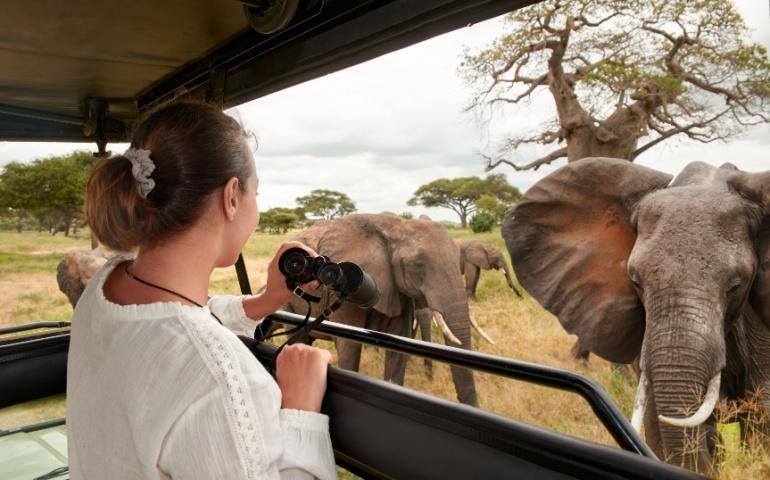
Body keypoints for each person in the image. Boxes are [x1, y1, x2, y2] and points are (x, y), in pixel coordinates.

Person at [66, 102, 336, 479]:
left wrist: (263, 302)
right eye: (255, 192)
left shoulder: (105, 285)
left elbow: (168, 325)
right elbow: (190, 342)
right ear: (230, 197)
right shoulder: (221, 381)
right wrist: (302, 410)